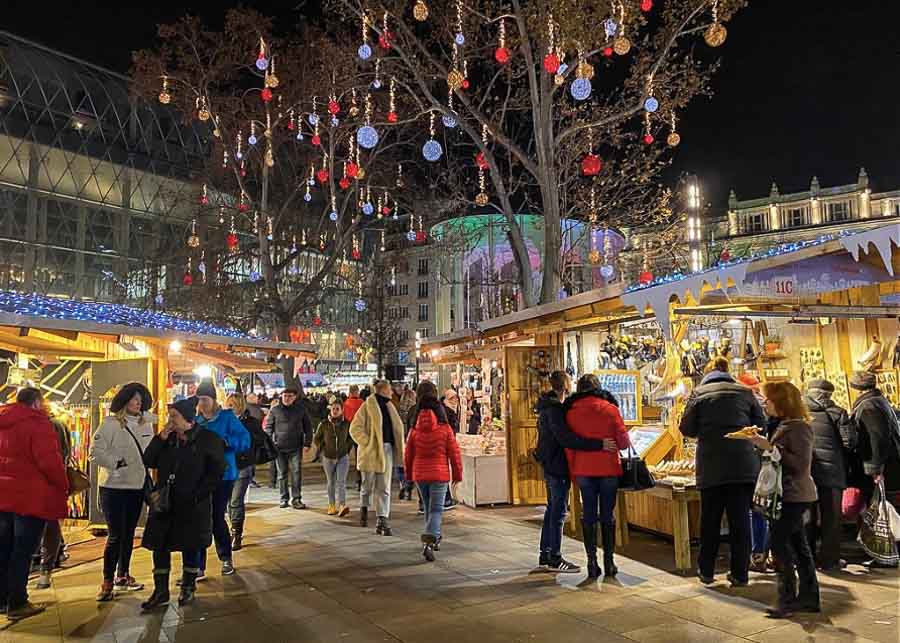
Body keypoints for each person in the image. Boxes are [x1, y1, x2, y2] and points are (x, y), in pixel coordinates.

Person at [680, 358, 765, 587]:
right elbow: (761, 424)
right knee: (740, 521)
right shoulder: (745, 393)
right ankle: (740, 574)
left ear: (708, 373)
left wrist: (706, 431)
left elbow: (685, 428)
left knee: (710, 520)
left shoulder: (699, 393)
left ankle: (706, 571)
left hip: (711, 465)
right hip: (743, 464)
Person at [140, 399, 225, 610]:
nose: (170, 421)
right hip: (165, 503)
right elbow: (149, 460)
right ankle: (160, 591)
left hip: (192, 504)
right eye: (170, 416)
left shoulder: (208, 439)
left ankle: (188, 587)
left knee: (191, 544)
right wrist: (160, 438)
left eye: (174, 416)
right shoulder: (167, 439)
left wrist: (198, 495)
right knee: (159, 546)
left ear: (187, 418)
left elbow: (216, 473)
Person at [747, 382, 819, 618]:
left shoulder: (798, 428)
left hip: (794, 494)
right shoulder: (787, 425)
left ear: (781, 402)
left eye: (768, 400)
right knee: (798, 545)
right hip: (790, 494)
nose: (765, 404)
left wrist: (768, 447)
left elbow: (798, 465)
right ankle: (808, 598)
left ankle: (787, 599)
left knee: (779, 545)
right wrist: (763, 445)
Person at [0, 388, 68, 621]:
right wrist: (64, 485)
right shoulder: (38, 424)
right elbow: (49, 462)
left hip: (3, 497)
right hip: (30, 498)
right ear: (38, 402)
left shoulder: (3, 421)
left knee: (4, 549)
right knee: (22, 551)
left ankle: (2, 599)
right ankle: (17, 602)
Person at [535, 371, 608, 574]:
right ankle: (555, 558)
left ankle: (546, 554)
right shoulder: (555, 410)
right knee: (558, 512)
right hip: (557, 466)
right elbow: (565, 438)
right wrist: (596, 444)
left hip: (550, 464)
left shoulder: (547, 407)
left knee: (552, 510)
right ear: (566, 385)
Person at [89, 382, 156, 601]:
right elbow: (95, 453)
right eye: (134, 399)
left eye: (141, 400)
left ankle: (123, 575)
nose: (138, 403)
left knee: (128, 534)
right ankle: (107, 581)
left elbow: (150, 452)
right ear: (124, 401)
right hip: (113, 487)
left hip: (136, 486)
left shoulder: (146, 424)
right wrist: (117, 463)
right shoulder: (109, 424)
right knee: (116, 536)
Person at [564, 374, 631, 579]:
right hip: (608, 468)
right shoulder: (610, 409)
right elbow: (624, 442)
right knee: (607, 515)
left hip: (583, 469)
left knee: (589, 514)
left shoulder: (570, 412)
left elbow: (569, 444)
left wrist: (574, 467)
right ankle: (609, 562)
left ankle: (592, 562)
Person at [194, 380, 250, 578]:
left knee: (216, 516)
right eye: (199, 399)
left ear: (213, 399)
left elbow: (245, 440)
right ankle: (198, 565)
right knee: (200, 518)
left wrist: (228, 442)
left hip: (224, 475)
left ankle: (225, 557)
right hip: (200, 475)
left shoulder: (227, 418)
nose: (203, 403)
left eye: (205, 399)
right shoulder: (196, 420)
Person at [804, 379, 857, 571]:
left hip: (805, 472)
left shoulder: (799, 413)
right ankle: (829, 560)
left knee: (806, 516)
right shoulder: (838, 413)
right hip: (832, 472)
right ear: (829, 394)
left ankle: (806, 558)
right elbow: (849, 442)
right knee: (831, 518)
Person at [849, 370, 900, 567]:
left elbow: (877, 439)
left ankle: (884, 553)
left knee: (882, 512)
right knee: (882, 510)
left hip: (882, 466)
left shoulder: (869, 406)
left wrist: (875, 469)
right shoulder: (878, 401)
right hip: (886, 464)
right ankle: (883, 552)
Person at [404, 396, 463, 562]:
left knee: (429, 508)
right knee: (437, 509)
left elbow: (408, 455)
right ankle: (430, 540)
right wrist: (457, 475)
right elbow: (455, 454)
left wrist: (409, 477)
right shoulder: (445, 430)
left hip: (420, 475)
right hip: (439, 475)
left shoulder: (414, 431)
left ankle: (433, 538)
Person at [349, 380, 405, 534]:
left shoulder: (389, 406)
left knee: (384, 487)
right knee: (367, 485)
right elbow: (354, 428)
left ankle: (382, 519)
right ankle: (364, 509)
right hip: (371, 452)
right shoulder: (367, 406)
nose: (392, 392)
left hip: (387, 450)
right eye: (390, 390)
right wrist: (368, 442)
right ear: (383, 390)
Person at [35, 404, 73, 591]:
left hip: (45, 481)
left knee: (47, 522)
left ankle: (46, 566)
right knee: (49, 522)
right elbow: (66, 452)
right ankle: (49, 562)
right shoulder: (57, 425)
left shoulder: (50, 426)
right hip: (51, 479)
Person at [226, 393, 268, 552]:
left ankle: (236, 533)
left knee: (236, 501)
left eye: (231, 405)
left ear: (239, 405)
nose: (228, 408)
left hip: (243, 466)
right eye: (227, 405)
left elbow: (258, 440)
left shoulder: (250, 422)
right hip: (227, 467)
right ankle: (233, 529)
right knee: (230, 501)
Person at [265, 387, 313, 509]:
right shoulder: (275, 410)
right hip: (279, 448)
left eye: (290, 396)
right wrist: (269, 444)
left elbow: (308, 428)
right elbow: (269, 428)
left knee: (296, 473)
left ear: (294, 397)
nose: (287, 398)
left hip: (296, 447)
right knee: (282, 474)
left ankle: (296, 499)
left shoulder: (301, 410)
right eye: (285, 395)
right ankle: (283, 498)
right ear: (281, 396)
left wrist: (307, 443)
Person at [313, 400, 353, 517]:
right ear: (330, 410)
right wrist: (323, 447)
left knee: (341, 481)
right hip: (328, 457)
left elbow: (351, 437)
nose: (335, 411)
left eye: (337, 409)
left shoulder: (347, 423)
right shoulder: (324, 424)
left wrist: (346, 448)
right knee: (331, 482)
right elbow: (317, 438)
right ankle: (331, 505)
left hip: (342, 457)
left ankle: (342, 505)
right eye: (333, 409)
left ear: (342, 410)